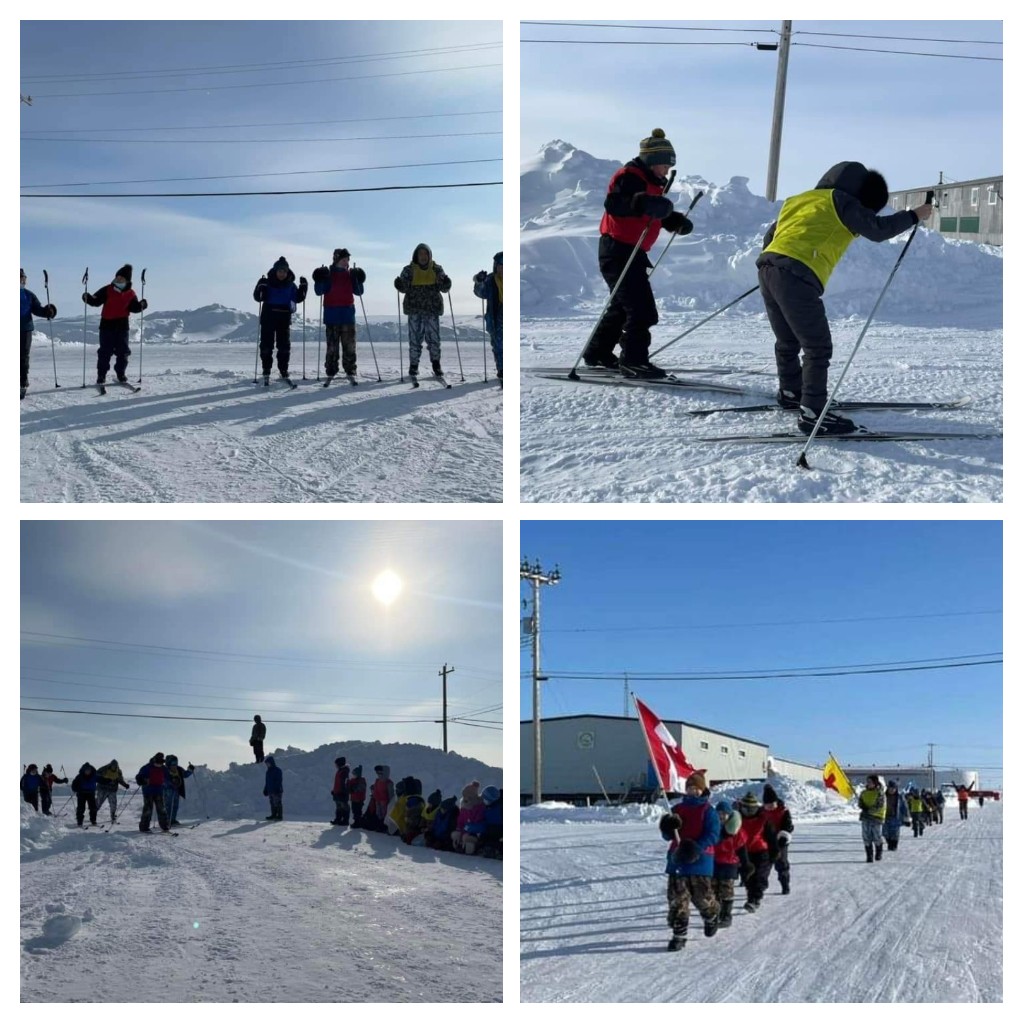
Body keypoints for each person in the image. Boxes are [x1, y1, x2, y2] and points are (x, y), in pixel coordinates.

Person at [757, 162, 934, 435]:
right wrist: (914, 215)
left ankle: (791, 392)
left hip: (768, 268)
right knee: (817, 347)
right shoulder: (841, 201)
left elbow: (771, 236)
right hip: (796, 275)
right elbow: (877, 229)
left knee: (788, 340)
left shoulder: (799, 199)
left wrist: (777, 265)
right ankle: (813, 414)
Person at [582, 128, 693, 379]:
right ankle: (634, 361)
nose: (666, 171)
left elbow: (649, 212)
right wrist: (646, 203)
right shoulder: (630, 176)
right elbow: (616, 204)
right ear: (652, 161)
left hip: (631, 251)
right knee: (642, 309)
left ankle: (598, 353)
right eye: (664, 165)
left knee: (622, 306)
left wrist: (673, 220)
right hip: (618, 250)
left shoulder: (651, 182)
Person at [659, 771, 721, 951]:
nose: (692, 791)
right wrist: (667, 827)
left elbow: (713, 835)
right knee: (677, 900)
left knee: (702, 898)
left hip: (699, 860)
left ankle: (711, 916)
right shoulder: (677, 809)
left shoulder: (708, 811)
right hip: (677, 859)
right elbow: (668, 836)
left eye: (696, 789)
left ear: (702, 790)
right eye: (689, 788)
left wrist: (696, 847)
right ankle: (679, 935)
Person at [82, 264, 147, 386]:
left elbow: (134, 308)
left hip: (122, 326)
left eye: (121, 278)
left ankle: (120, 374)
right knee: (105, 352)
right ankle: (101, 375)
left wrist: (142, 305)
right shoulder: (107, 289)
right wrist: (87, 298)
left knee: (123, 352)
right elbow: (96, 300)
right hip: (106, 325)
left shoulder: (131, 294)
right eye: (117, 277)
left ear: (127, 280)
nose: (118, 279)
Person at [394, 243, 451, 381]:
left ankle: (436, 364)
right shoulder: (408, 270)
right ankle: (414, 365)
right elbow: (403, 288)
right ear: (416, 256)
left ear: (429, 255)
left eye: (426, 254)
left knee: (434, 339)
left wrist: (446, 283)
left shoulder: (437, 269)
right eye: (420, 254)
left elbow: (444, 288)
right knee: (415, 339)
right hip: (415, 310)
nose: (423, 257)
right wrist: (399, 284)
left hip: (432, 309)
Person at [312, 248, 366, 383]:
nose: (346, 262)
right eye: (343, 259)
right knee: (332, 347)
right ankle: (331, 370)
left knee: (350, 346)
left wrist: (359, 279)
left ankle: (350, 370)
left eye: (347, 260)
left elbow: (359, 292)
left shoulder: (350, 275)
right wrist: (319, 279)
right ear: (336, 260)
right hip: (332, 316)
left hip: (347, 315)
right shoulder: (328, 274)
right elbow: (319, 291)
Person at [253, 258, 307, 384]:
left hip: (284, 318)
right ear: (275, 271)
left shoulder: (291, 285)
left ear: (287, 272)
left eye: (284, 271)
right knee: (266, 346)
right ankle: (266, 369)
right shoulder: (267, 283)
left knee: (284, 347)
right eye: (280, 271)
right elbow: (257, 297)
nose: (282, 274)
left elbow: (298, 298)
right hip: (268, 316)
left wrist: (304, 287)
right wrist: (260, 287)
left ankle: (283, 370)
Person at [734, 790, 777, 911]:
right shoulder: (737, 819)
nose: (748, 811)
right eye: (746, 809)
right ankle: (751, 897)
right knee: (749, 877)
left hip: (761, 852)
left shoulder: (764, 819)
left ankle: (754, 899)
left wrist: (775, 851)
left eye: (751, 809)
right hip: (744, 852)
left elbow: (771, 836)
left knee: (759, 875)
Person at [711, 799, 748, 929]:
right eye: (719, 814)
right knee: (713, 891)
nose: (721, 816)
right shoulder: (713, 828)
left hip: (729, 864)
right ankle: (716, 914)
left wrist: (746, 864)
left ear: (729, 815)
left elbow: (741, 848)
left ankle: (726, 916)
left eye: (724, 814)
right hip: (714, 863)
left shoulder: (735, 830)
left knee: (726, 891)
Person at [20, 268, 57, 398]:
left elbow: (37, 309)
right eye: (20, 278)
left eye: (23, 278)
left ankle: (22, 382)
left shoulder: (29, 295)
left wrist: (48, 311)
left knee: (23, 356)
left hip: (25, 329)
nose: (22, 280)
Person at [472, 252, 503, 380]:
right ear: (496, 266)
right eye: (500, 265)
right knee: (498, 345)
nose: (503, 268)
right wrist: (479, 281)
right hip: (495, 317)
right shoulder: (490, 280)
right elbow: (481, 293)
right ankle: (502, 369)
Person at [761, 783, 794, 894]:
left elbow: (788, 825)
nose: (770, 807)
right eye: (767, 805)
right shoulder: (761, 812)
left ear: (776, 802)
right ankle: (762, 885)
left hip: (780, 841)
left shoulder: (783, 811)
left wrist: (784, 836)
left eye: (772, 804)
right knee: (764, 865)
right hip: (766, 842)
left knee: (782, 864)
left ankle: (785, 884)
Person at [135, 752, 171, 832]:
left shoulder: (163, 768)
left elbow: (168, 778)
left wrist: (173, 781)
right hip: (148, 791)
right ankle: (144, 827)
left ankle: (165, 826)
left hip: (159, 791)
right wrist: (140, 780)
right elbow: (139, 777)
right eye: (158, 762)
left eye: (161, 762)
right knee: (148, 809)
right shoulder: (147, 767)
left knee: (161, 809)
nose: (159, 764)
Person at [858, 774, 887, 861]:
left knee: (877, 836)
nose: (868, 783)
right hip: (865, 818)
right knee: (866, 837)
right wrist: (862, 806)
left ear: (875, 783)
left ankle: (878, 853)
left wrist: (869, 810)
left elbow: (880, 805)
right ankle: (869, 856)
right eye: (867, 781)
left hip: (876, 818)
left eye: (870, 782)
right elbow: (860, 803)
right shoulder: (863, 793)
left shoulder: (880, 793)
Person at [453, 781, 485, 853]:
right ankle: (459, 846)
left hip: (474, 832)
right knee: (456, 835)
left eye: (467, 797)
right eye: (464, 796)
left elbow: (478, 821)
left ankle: (468, 848)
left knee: (467, 838)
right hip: (465, 830)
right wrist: (459, 828)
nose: (465, 798)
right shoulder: (464, 807)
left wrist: (469, 830)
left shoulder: (479, 807)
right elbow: (460, 820)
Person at [95, 759, 130, 824]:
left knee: (113, 804)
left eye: (115, 766)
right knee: (99, 802)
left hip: (112, 790)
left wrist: (125, 785)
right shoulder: (104, 769)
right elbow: (96, 775)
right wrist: (103, 779)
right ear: (110, 765)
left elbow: (120, 780)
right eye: (113, 766)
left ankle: (113, 815)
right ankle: (93, 814)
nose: (113, 767)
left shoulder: (118, 772)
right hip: (102, 789)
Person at [164, 755, 194, 826]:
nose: (175, 765)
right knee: (168, 806)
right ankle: (167, 820)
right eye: (173, 763)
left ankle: (173, 819)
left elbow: (185, 774)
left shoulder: (179, 769)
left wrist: (190, 770)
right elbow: (163, 780)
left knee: (175, 806)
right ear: (168, 764)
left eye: (176, 763)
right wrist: (171, 783)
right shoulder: (164, 770)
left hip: (176, 790)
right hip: (168, 791)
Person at [882, 780, 910, 851]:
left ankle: (894, 845)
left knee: (895, 833)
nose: (892, 790)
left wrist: (907, 818)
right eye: (890, 788)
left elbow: (905, 807)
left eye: (893, 788)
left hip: (896, 817)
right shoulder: (883, 796)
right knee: (885, 833)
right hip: (885, 817)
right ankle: (889, 843)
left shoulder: (899, 797)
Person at [71, 762, 99, 827]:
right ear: (84, 770)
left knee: (93, 808)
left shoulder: (94, 776)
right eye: (86, 770)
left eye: (89, 770)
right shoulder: (79, 776)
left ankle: (93, 820)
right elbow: (73, 785)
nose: (88, 772)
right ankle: (79, 821)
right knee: (81, 808)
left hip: (91, 794)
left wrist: (108, 780)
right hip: (81, 794)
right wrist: (77, 789)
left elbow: (101, 779)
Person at [331, 756, 350, 826]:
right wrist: (334, 791)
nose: (335, 765)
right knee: (339, 807)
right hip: (337, 792)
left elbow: (345, 783)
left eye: (336, 764)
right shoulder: (340, 771)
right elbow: (337, 783)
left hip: (342, 793)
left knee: (344, 807)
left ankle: (345, 821)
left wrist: (343, 791)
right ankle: (338, 819)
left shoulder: (344, 772)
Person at [263, 755, 283, 820]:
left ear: (271, 762)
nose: (267, 765)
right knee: (272, 803)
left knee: (277, 803)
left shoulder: (277, 770)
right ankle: (273, 815)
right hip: (270, 790)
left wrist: (277, 788)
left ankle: (279, 816)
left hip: (277, 790)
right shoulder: (268, 772)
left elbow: (279, 780)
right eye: (266, 764)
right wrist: (265, 789)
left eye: (268, 763)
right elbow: (267, 782)